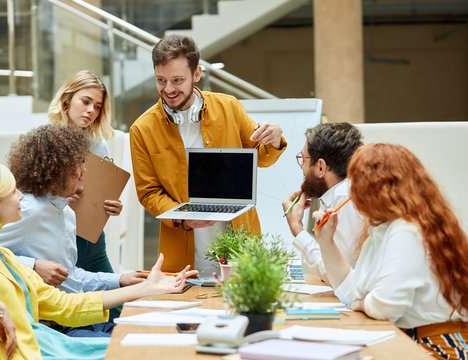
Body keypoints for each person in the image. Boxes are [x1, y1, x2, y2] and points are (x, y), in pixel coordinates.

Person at [0, 161, 195, 360]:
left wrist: (144, 289)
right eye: (13, 191)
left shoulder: (4, 255)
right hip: (30, 353)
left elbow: (64, 305)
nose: (21, 196)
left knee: (146, 347)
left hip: (49, 345)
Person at [130, 34, 287, 274]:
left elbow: (260, 157)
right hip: (183, 252)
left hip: (240, 245)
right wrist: (183, 218)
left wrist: (274, 139)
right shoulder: (141, 129)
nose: (168, 89)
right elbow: (148, 192)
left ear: (196, 74)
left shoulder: (229, 107)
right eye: (161, 80)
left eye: (177, 80)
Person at [313, 143, 468, 359]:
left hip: (436, 346)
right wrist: (326, 242)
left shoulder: (406, 229)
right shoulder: (381, 228)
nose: (351, 192)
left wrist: (361, 304)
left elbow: (386, 307)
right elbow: (350, 293)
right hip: (409, 339)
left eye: (355, 183)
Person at [0, 124, 145, 337]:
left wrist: (120, 280)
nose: (84, 170)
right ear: (56, 168)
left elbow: (71, 277)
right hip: (53, 330)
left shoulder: (67, 214)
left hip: (79, 321)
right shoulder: (27, 210)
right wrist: (33, 265)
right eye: (78, 163)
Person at [47, 69, 125, 320]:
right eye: (86, 101)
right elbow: (25, 199)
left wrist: (113, 205)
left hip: (92, 239)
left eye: (98, 106)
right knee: (73, 311)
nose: (91, 110)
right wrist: (60, 198)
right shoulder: (44, 141)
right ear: (67, 101)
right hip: (58, 241)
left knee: (116, 308)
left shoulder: (99, 145)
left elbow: (99, 191)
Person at [281, 122, 364, 284]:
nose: (301, 167)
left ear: (320, 167)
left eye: (303, 159)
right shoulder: (341, 192)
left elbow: (337, 275)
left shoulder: (343, 196)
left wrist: (297, 229)